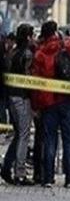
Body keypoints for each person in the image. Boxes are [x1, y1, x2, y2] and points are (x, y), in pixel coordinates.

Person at [33, 21, 70, 188]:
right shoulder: (65, 46)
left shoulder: (40, 54)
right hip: (66, 99)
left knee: (49, 139)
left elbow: (36, 82)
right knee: (68, 140)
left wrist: (36, 106)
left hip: (48, 101)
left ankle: (48, 177)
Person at [1, 24, 36, 186]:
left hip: (11, 96)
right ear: (28, 37)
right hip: (22, 97)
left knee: (17, 134)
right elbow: (28, 78)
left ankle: (7, 166)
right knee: (23, 134)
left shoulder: (12, 52)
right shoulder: (27, 54)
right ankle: (20, 172)